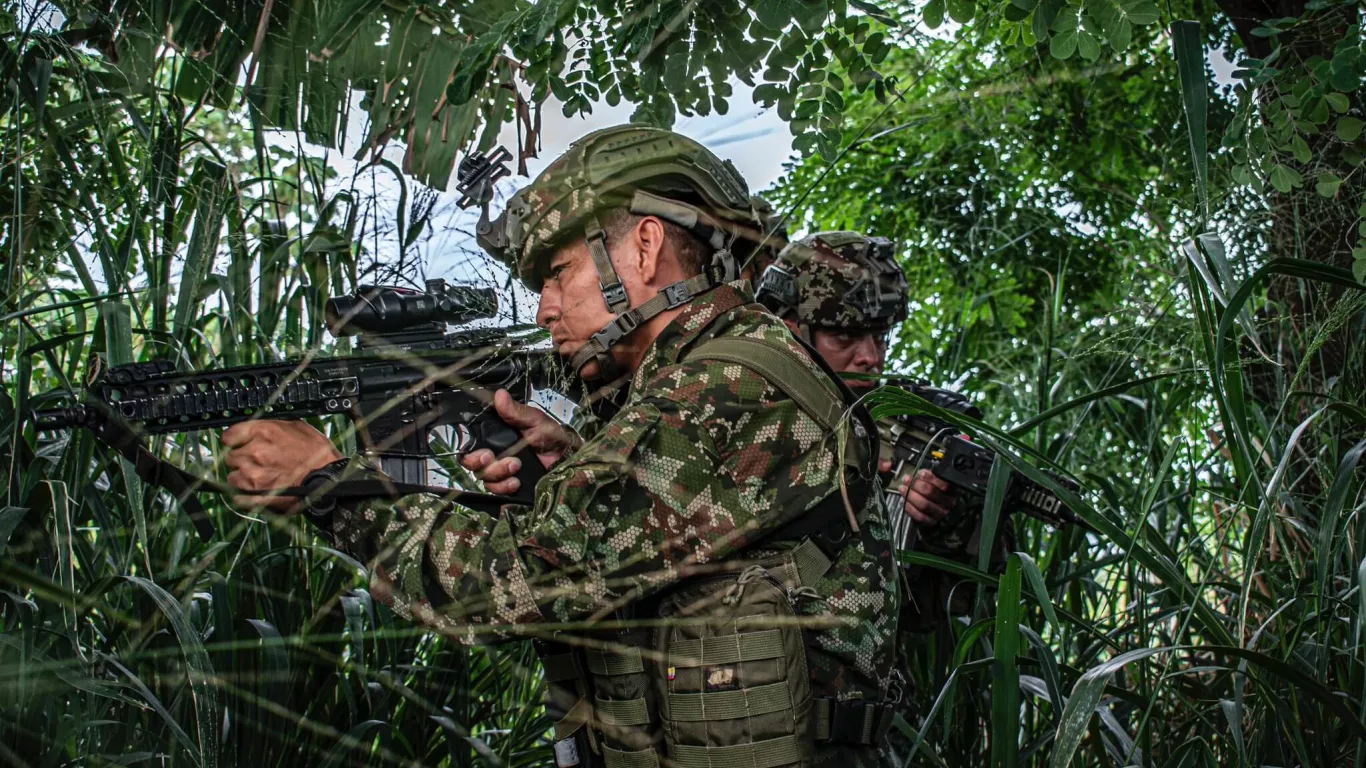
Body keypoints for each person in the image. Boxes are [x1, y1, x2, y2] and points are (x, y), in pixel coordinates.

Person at [222, 127, 901, 766]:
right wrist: (577, 460)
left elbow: (517, 585)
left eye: (558, 273)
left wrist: (329, 483)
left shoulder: (731, 382)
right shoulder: (710, 370)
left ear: (644, 246)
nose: (545, 308)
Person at [754, 231, 1013, 631]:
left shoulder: (911, 425)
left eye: (880, 337)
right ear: (789, 330)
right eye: (845, 336)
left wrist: (944, 522)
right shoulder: (743, 414)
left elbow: (958, 600)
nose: (870, 358)